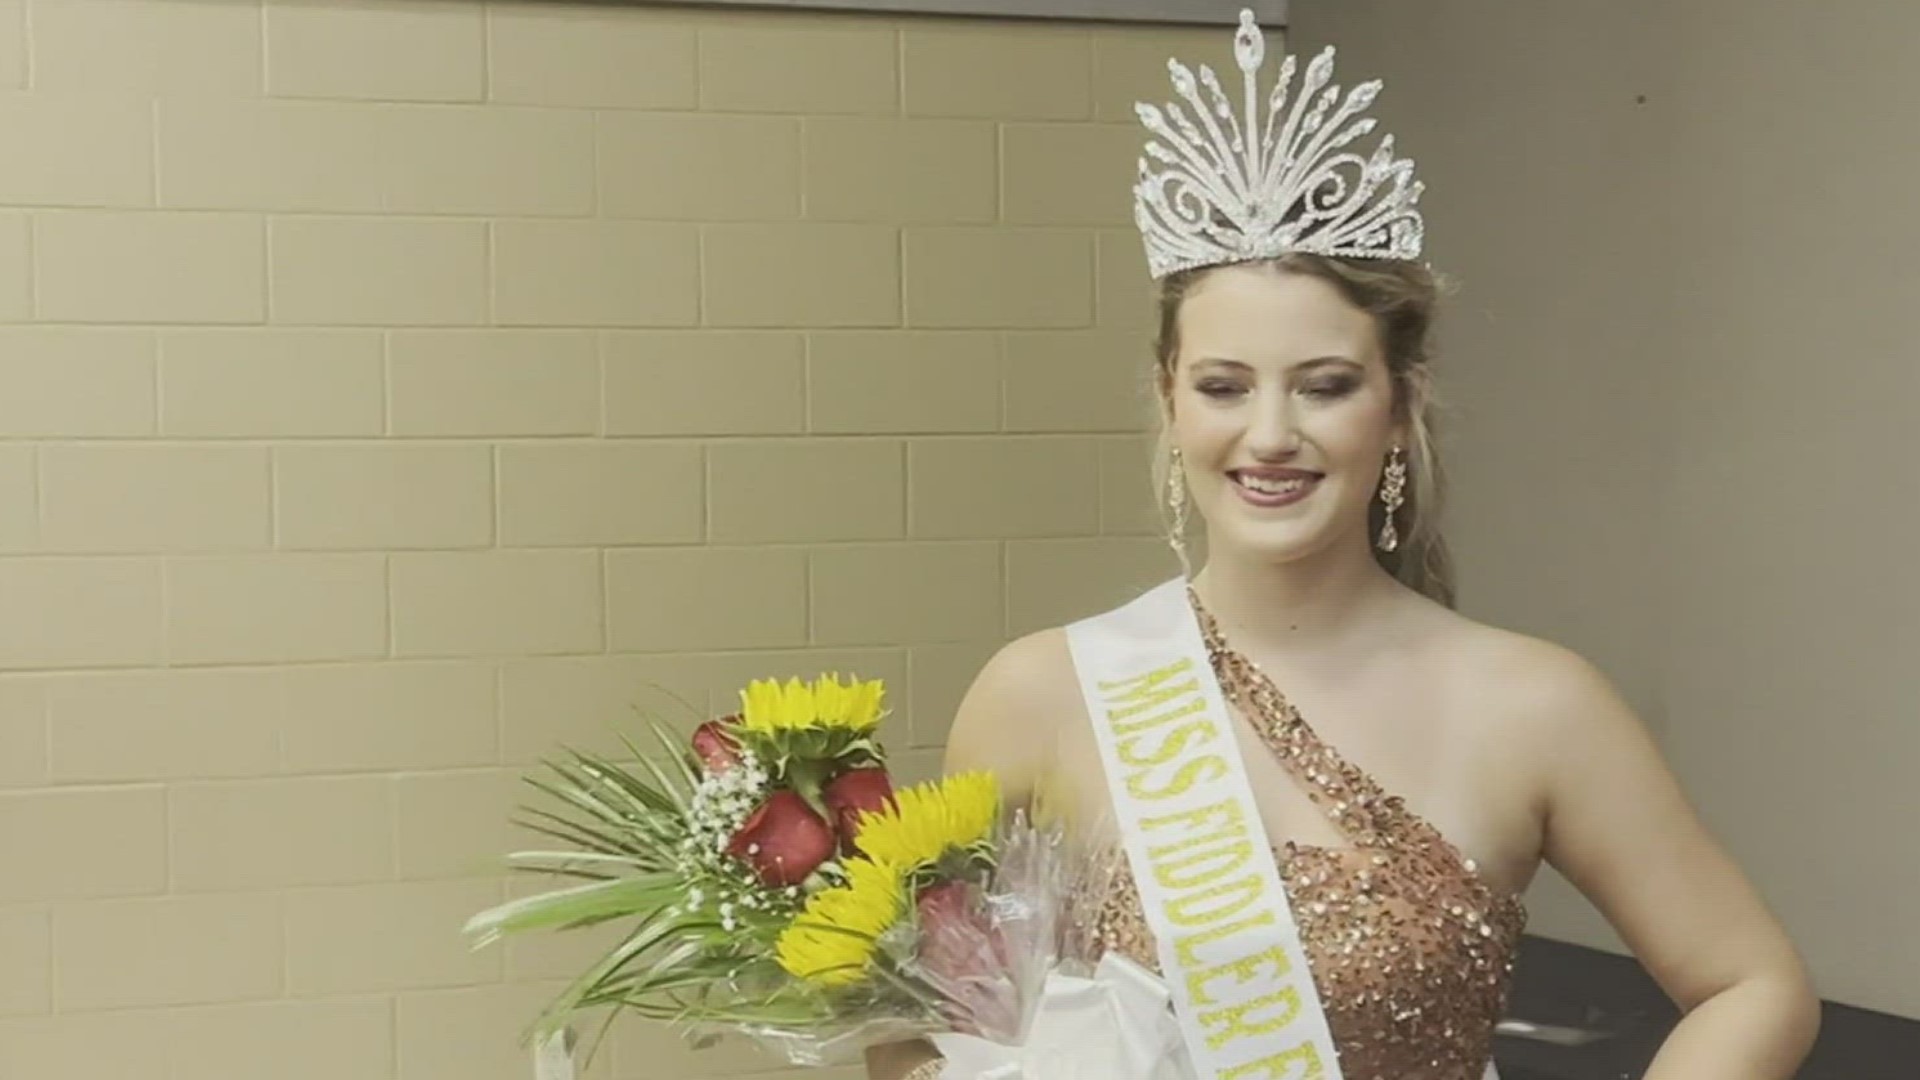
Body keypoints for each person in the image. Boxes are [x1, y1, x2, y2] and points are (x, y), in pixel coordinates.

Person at [868, 11, 1819, 1079]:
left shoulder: (1536, 706)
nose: (1270, 435)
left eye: (1324, 386)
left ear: (1400, 404)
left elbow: (1753, 984)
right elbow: (919, 1023)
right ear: (1168, 399)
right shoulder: (1042, 694)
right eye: (1225, 386)